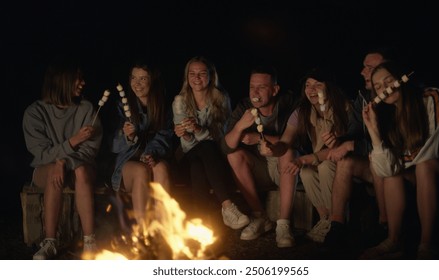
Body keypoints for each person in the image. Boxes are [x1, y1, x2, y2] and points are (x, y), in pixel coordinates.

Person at [361, 61, 439, 259]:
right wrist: (373, 131)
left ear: (401, 78)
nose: (385, 89)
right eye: (379, 87)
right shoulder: (388, 117)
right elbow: (385, 171)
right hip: (423, 174)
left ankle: (426, 246)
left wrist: (397, 162)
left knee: (424, 165)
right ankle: (393, 240)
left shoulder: (432, 97)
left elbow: (431, 151)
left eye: (388, 81)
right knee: (392, 176)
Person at [23, 55, 102, 260]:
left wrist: (64, 161)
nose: (83, 83)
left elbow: (90, 150)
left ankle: (89, 241)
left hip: (78, 169)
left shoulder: (86, 109)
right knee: (51, 171)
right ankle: (50, 242)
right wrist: (72, 141)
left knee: (82, 169)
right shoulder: (35, 112)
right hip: (47, 170)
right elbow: (41, 154)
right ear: (62, 80)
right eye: (78, 78)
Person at [259, 67, 351, 243]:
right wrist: (273, 149)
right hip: (318, 159)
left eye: (317, 85)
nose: (311, 90)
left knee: (324, 167)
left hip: (341, 161)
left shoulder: (343, 107)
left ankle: (336, 221)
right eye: (308, 85)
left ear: (329, 87)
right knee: (306, 172)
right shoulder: (302, 112)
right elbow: (285, 142)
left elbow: (341, 147)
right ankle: (324, 219)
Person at [221, 65, 298, 248]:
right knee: (234, 155)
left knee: (288, 151)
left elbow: (297, 140)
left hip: (287, 168)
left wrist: (258, 138)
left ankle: (283, 224)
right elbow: (225, 147)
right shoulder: (244, 106)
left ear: (274, 90)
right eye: (251, 87)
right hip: (259, 169)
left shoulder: (289, 102)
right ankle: (260, 217)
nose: (255, 92)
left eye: (261, 87)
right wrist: (240, 126)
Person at [323, 48, 391, 249]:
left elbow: (392, 144)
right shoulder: (362, 97)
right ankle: (337, 226)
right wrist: (338, 139)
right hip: (372, 161)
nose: (362, 72)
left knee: (374, 159)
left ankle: (385, 225)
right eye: (364, 67)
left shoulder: (394, 98)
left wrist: (352, 144)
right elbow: (353, 133)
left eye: (369, 68)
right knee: (345, 162)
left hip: (396, 164)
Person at [172, 56, 249, 229]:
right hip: (187, 155)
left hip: (216, 156)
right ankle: (227, 207)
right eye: (192, 73)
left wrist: (199, 130)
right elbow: (187, 146)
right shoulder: (180, 101)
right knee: (201, 152)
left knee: (199, 164)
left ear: (211, 76)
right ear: (187, 77)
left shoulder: (221, 99)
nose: (196, 78)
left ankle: (201, 223)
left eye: (201, 73)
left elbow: (221, 138)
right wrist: (184, 134)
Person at [111, 59, 174, 230]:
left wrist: (150, 154)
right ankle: (143, 234)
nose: (136, 84)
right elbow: (114, 145)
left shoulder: (164, 107)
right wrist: (127, 136)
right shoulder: (121, 107)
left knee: (161, 169)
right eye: (133, 78)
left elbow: (165, 136)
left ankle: (163, 231)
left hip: (153, 158)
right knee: (141, 170)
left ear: (153, 80)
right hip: (129, 164)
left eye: (143, 79)